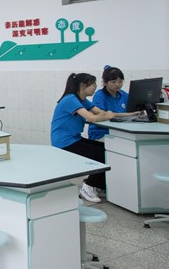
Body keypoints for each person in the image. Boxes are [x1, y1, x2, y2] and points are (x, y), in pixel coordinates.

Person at [51, 73, 118, 203]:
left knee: (108, 150)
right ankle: (88, 186)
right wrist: (108, 115)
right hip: (64, 143)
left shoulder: (82, 100)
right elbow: (91, 117)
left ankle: (98, 186)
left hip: (75, 138)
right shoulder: (70, 99)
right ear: (83, 86)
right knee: (102, 155)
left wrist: (129, 114)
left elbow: (101, 113)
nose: (96, 87)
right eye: (93, 84)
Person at [88, 66, 129, 141]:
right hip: (101, 134)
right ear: (105, 82)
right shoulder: (99, 95)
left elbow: (133, 107)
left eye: (120, 81)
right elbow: (102, 115)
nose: (117, 84)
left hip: (119, 132)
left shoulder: (123, 94)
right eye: (113, 82)